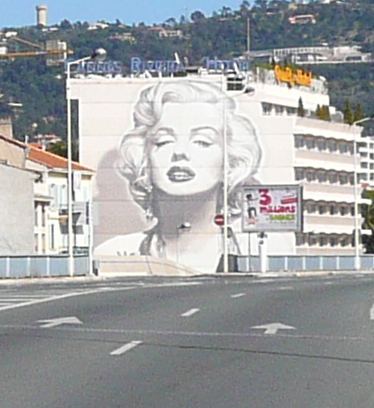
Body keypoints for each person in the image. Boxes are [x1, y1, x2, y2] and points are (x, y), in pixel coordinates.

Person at [94, 77, 260, 272]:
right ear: (144, 157)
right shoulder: (113, 252)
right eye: (164, 141)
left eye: (202, 141)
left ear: (231, 162)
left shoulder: (260, 249)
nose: (180, 152)